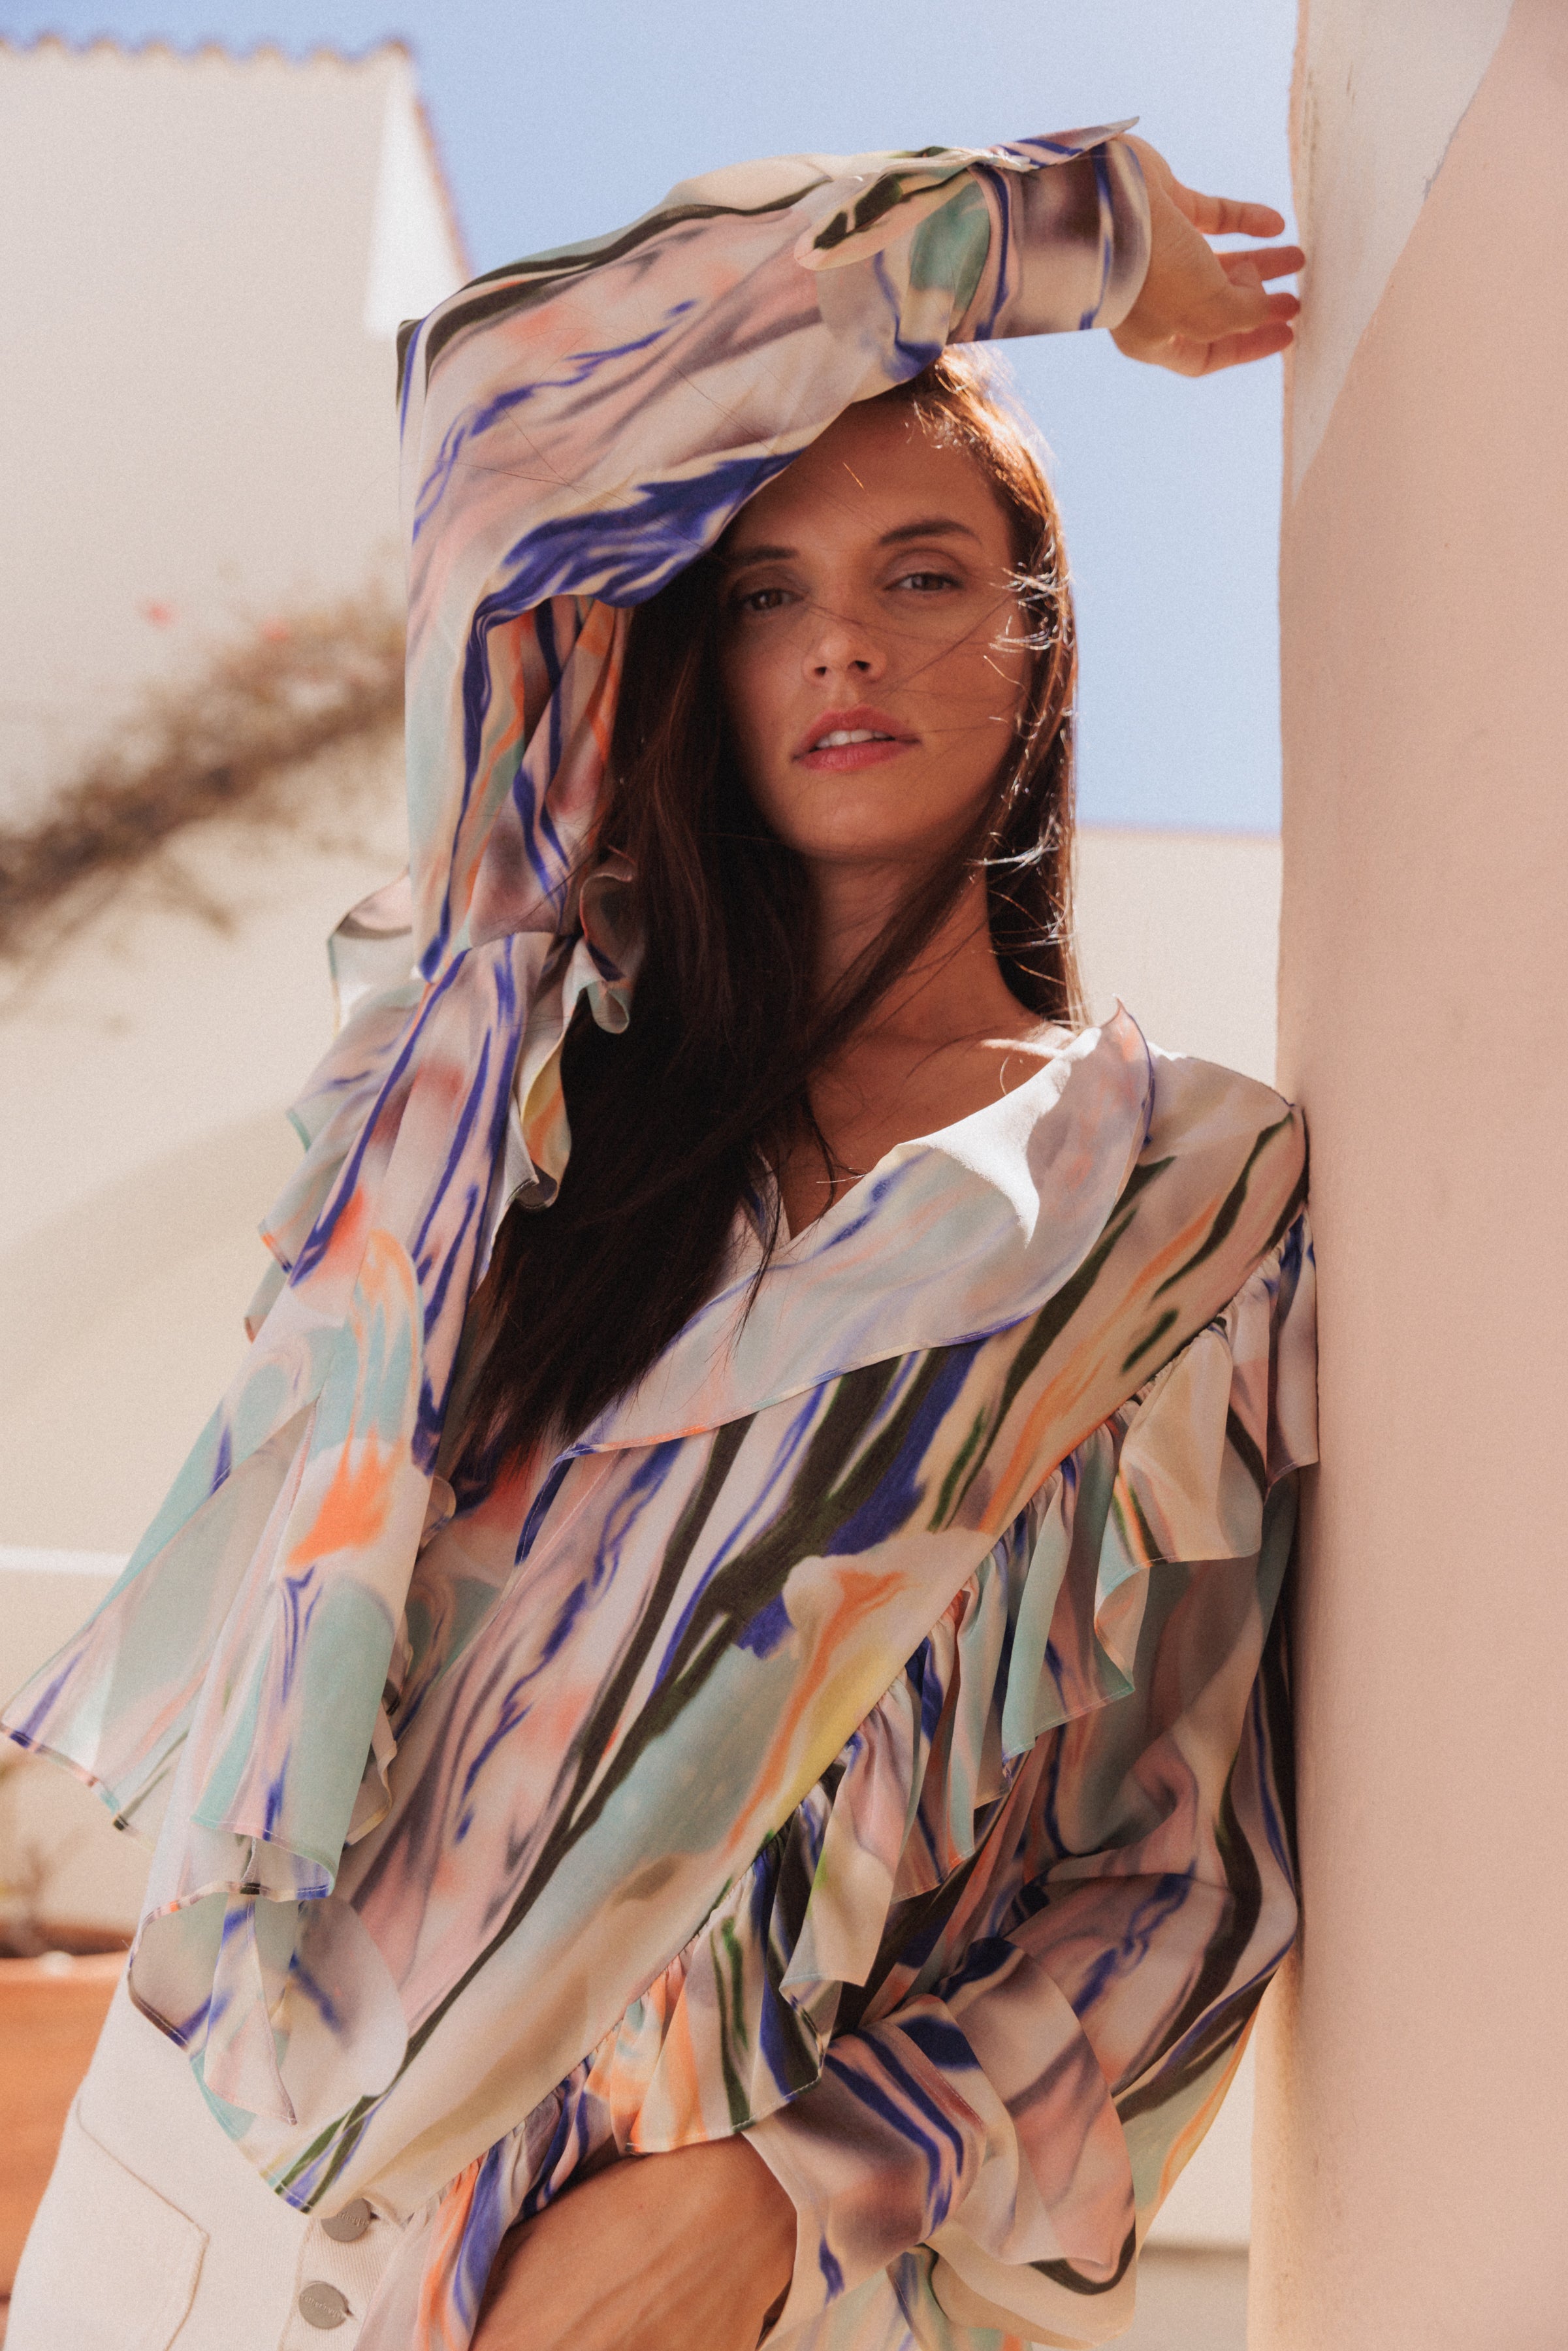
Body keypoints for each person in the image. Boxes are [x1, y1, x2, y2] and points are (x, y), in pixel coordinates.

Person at [5, 120, 1313, 2351]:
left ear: (1036, 644)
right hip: (185, 2211)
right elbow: (501, 411)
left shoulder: (1180, 1197)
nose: (841, 644)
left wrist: (787, 2198)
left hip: (624, 2287)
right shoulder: (527, 1038)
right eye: (764, 593)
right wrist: (1061, 231)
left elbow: (1172, 1868)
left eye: (922, 574)